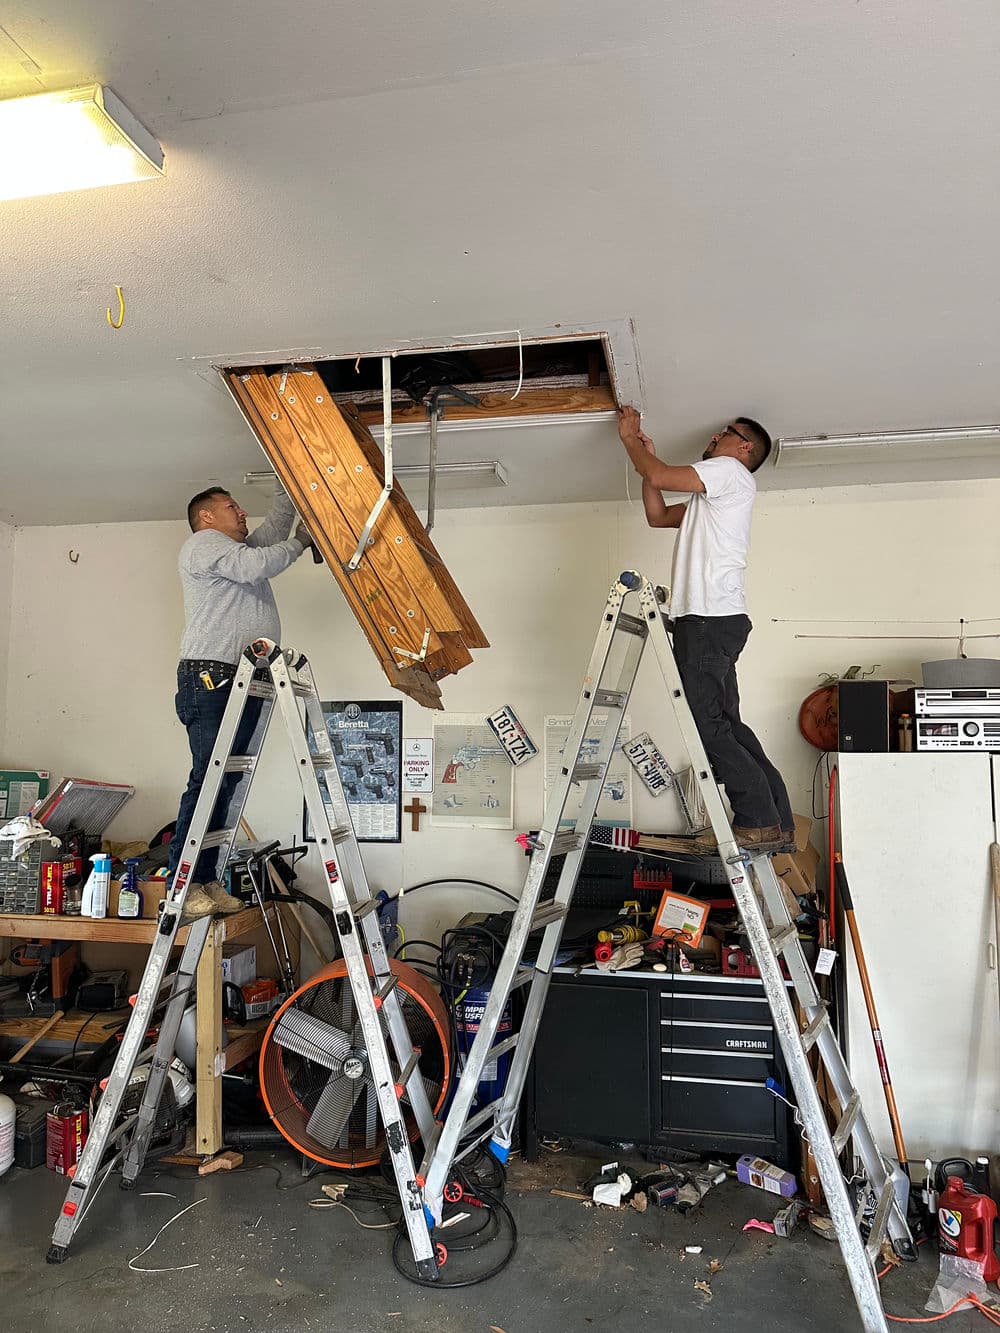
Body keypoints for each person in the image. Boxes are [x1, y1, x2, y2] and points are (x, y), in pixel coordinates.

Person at [617, 406, 793, 852]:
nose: (716, 436)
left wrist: (631, 439)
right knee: (726, 723)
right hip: (717, 620)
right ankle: (776, 819)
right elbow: (657, 515)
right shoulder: (711, 498)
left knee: (705, 723)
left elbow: (658, 475)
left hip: (709, 620)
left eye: (727, 433)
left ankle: (757, 819)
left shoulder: (730, 472)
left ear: (744, 448)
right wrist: (646, 465)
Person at [166, 485, 310, 919]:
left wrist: (292, 487)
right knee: (207, 779)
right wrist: (304, 542)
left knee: (226, 783)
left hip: (242, 676)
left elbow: (270, 536)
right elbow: (260, 562)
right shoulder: (204, 544)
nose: (242, 511)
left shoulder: (232, 552)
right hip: (211, 676)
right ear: (207, 517)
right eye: (232, 506)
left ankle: (207, 879)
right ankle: (183, 882)